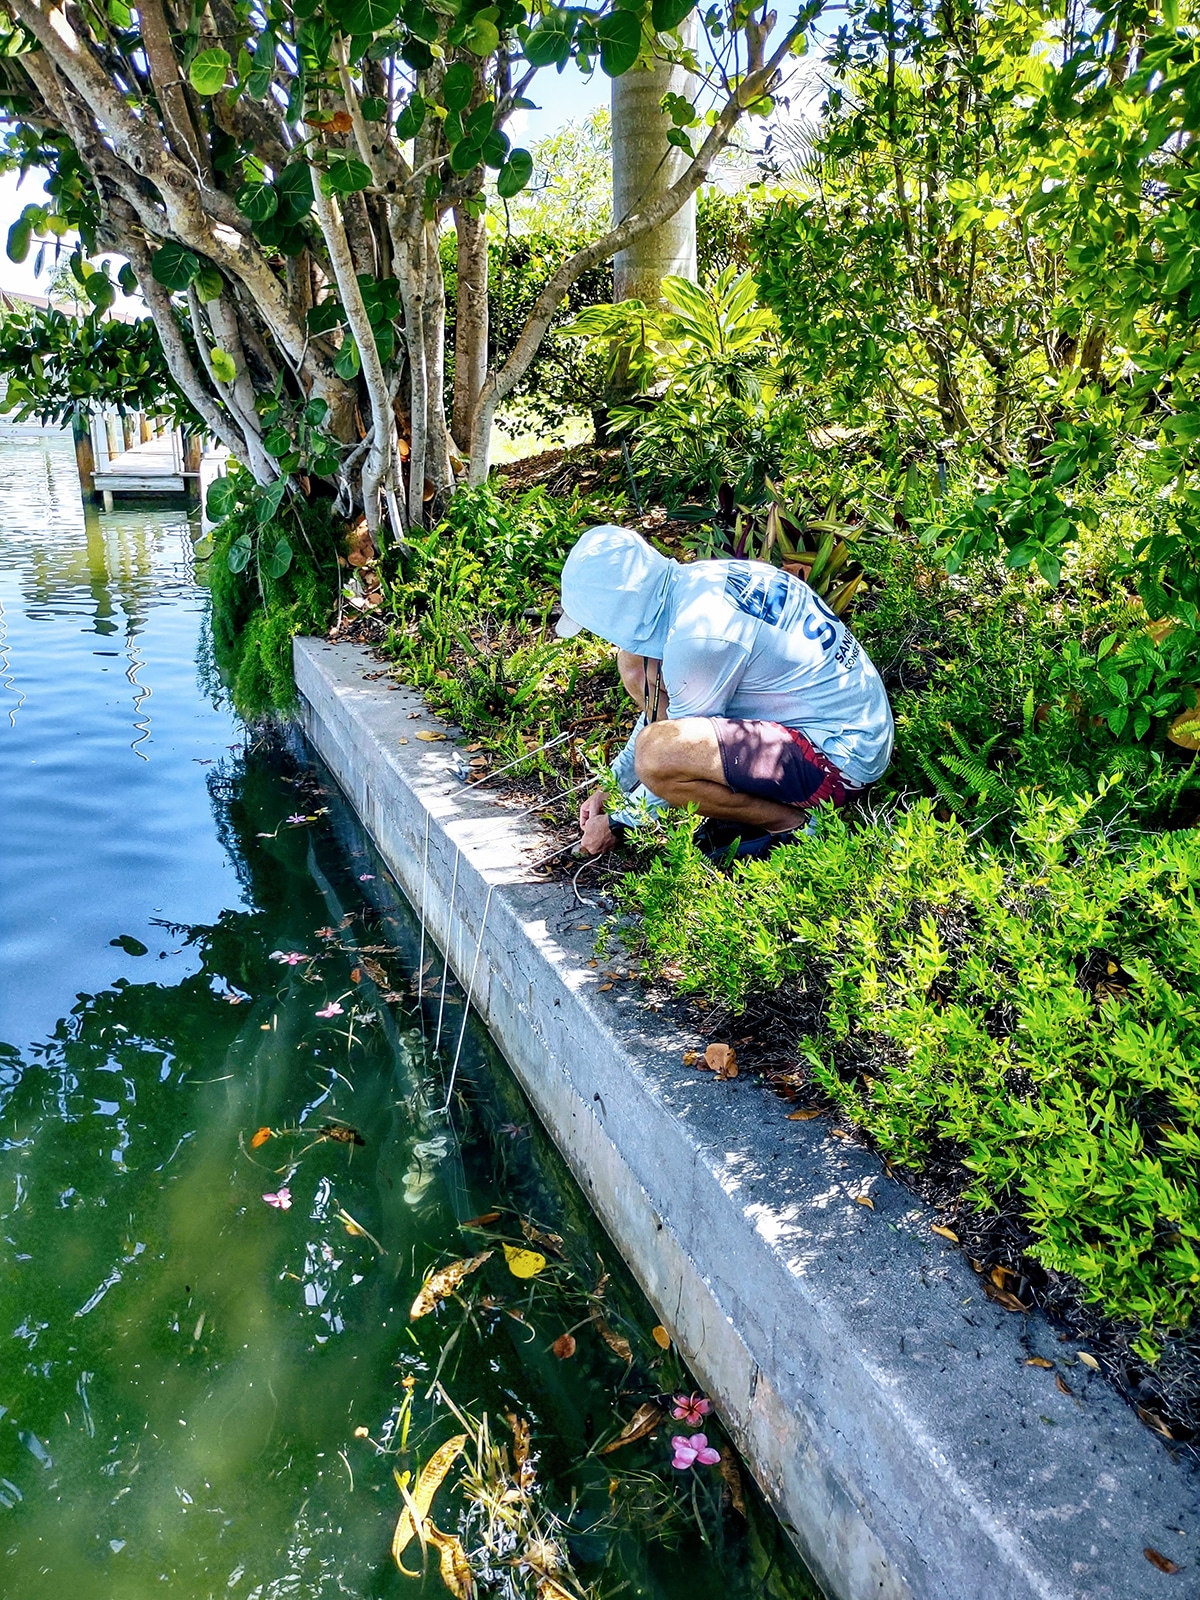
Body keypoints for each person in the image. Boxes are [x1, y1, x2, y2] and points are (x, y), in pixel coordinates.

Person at [556, 523, 894, 858]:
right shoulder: (700, 583)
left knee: (656, 757)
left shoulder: (699, 640)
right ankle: (748, 809)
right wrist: (611, 786)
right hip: (832, 732)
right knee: (635, 663)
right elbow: (664, 721)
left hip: (837, 764)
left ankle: (791, 824)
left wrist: (619, 822)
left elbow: (670, 752)